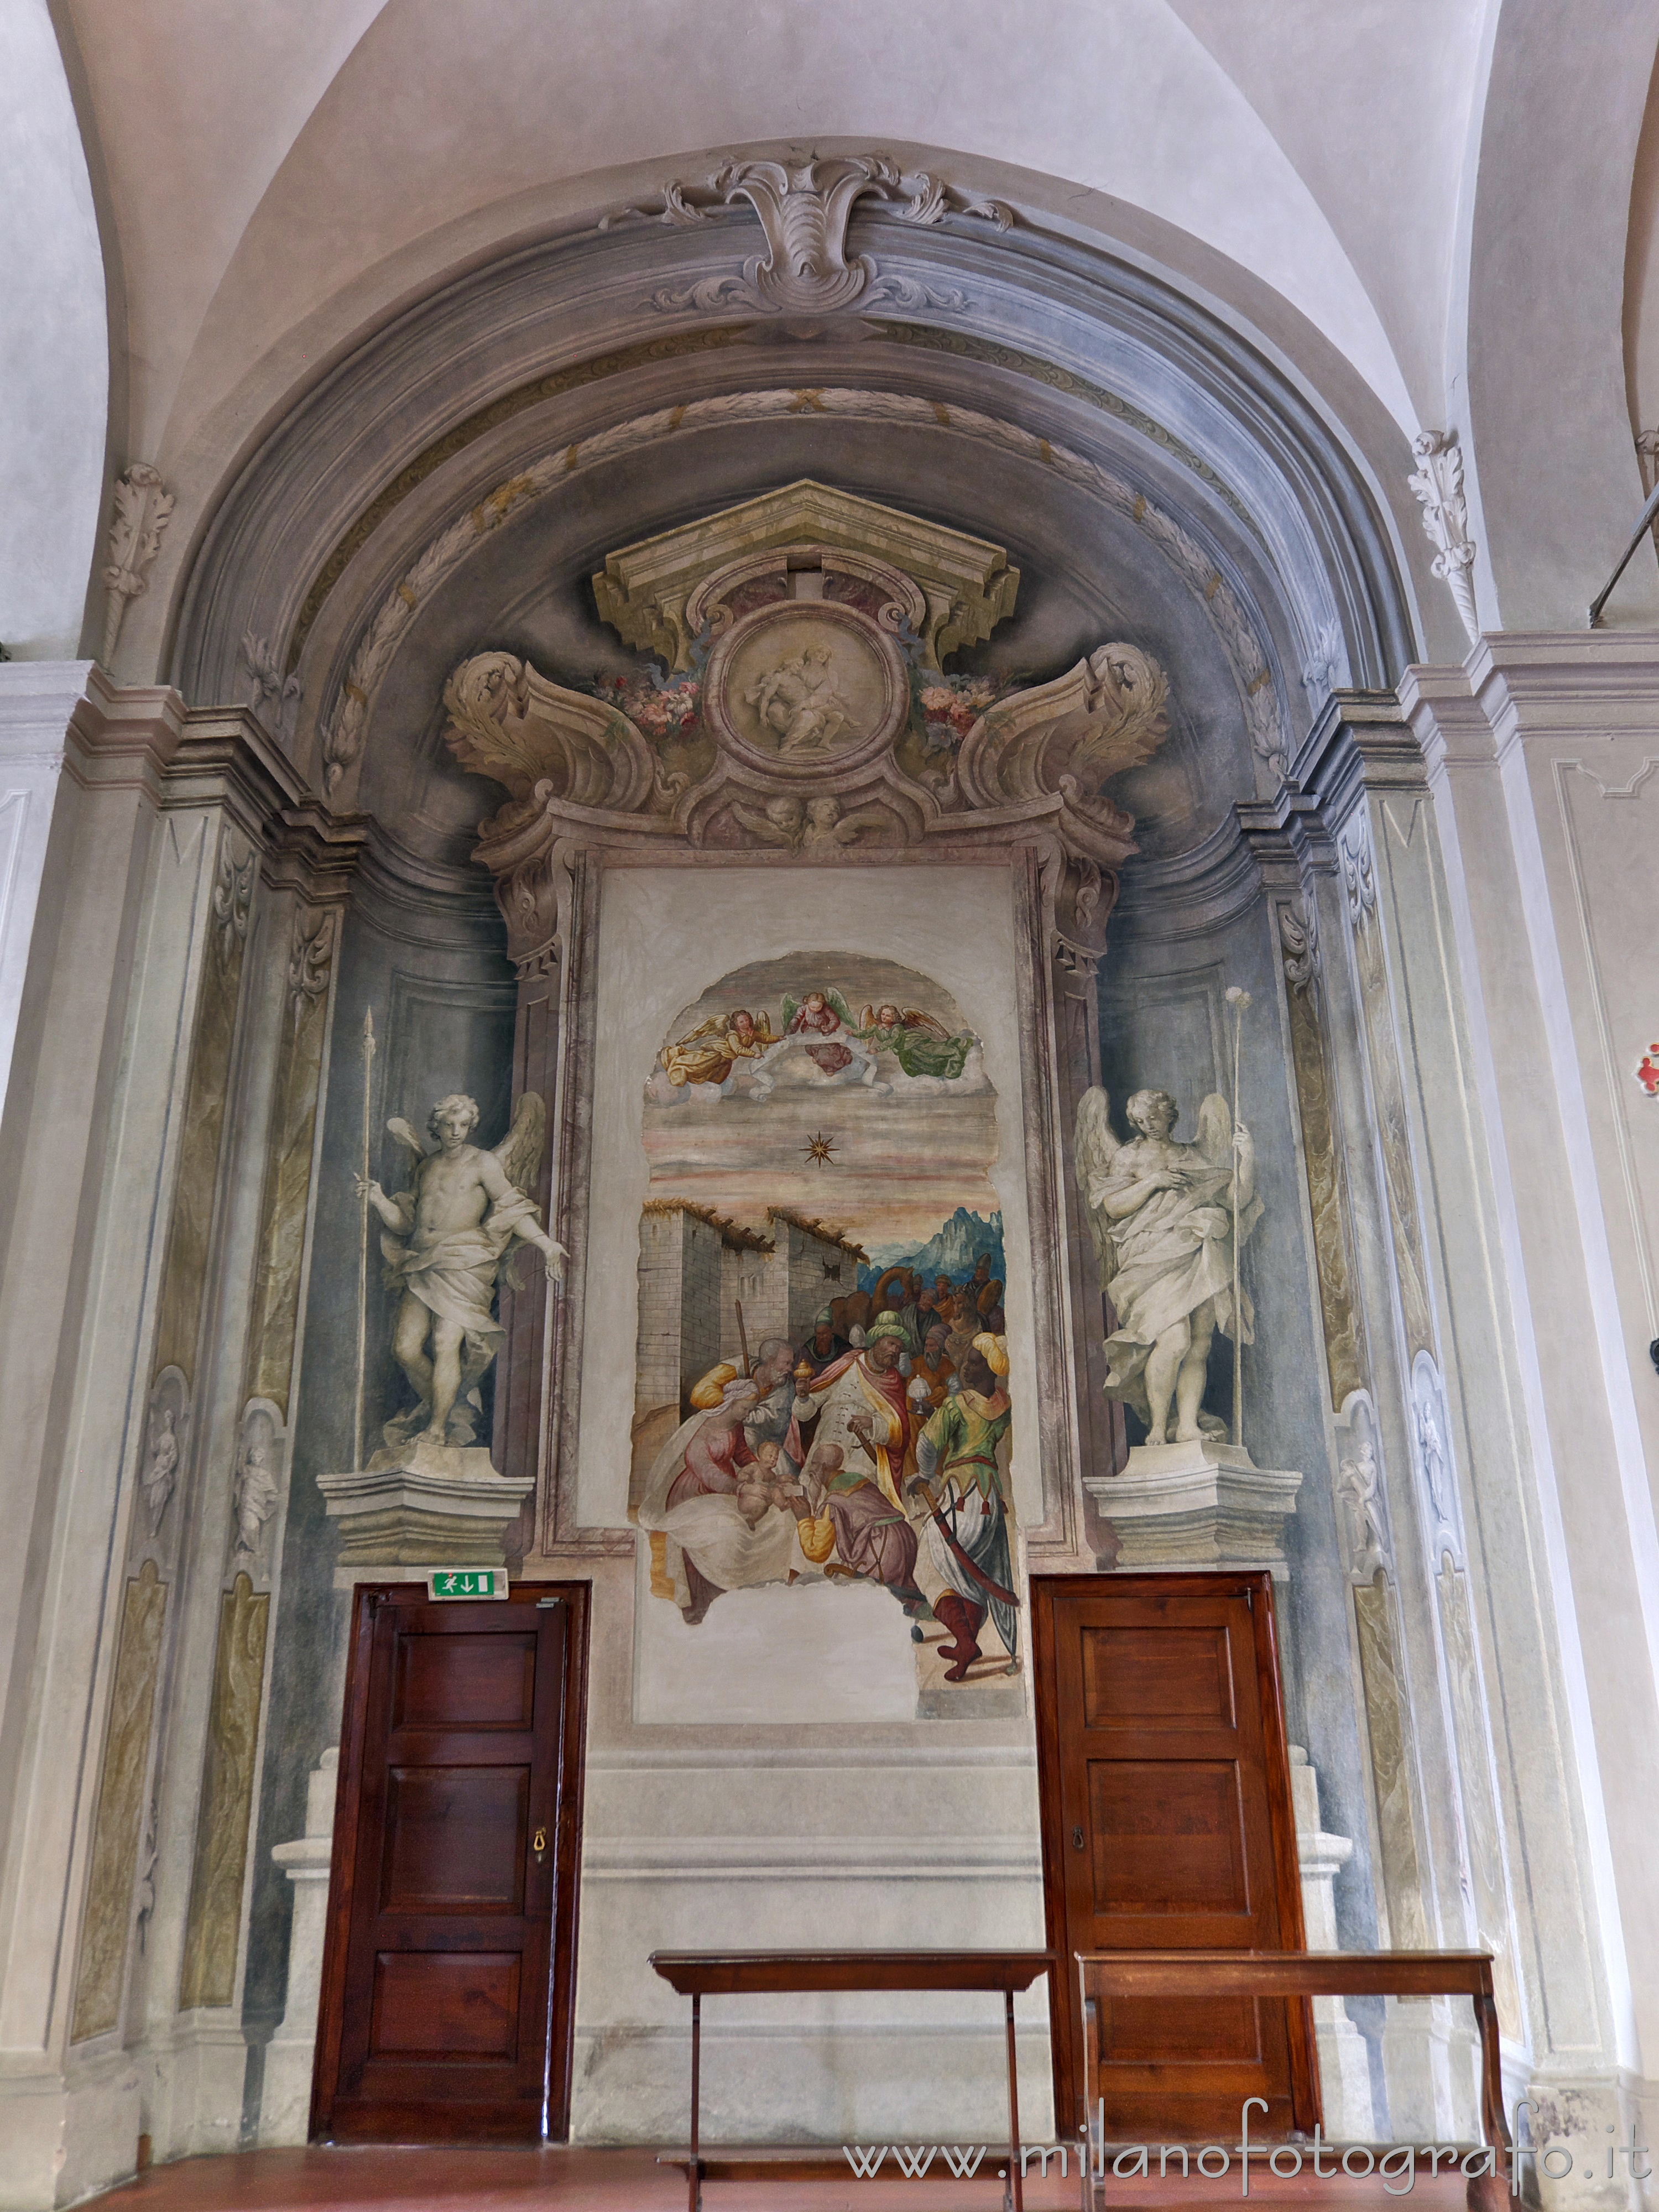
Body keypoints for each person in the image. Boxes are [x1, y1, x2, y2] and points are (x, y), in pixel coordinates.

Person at [358, 1093, 564, 1447]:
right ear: (436, 1127)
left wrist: (546, 1245)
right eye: (449, 1125)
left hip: (464, 1262)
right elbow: (407, 1225)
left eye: (464, 1125)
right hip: (422, 1262)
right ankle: (451, 1408)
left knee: (444, 1343)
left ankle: (436, 1429)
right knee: (405, 1349)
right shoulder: (426, 1167)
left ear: (471, 1126)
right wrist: (378, 1200)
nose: (456, 1132)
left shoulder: (483, 1163)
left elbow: (511, 1207)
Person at [1090, 1087, 1259, 1445]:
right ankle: (1156, 1428)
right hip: (1151, 1258)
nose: (1148, 1125)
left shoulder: (1194, 1155)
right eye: (1140, 1120)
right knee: (1173, 1339)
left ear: (1169, 1115)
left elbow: (1235, 1199)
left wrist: (1247, 1158)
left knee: (1199, 1343)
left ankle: (1186, 1426)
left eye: (1154, 1116)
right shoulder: (1130, 1156)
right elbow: (1112, 1206)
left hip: (1197, 1254)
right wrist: (1153, 1181)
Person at [910, 1338, 1016, 1681]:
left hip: (962, 1497)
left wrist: (926, 1476)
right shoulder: (1005, 1408)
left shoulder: (957, 1405)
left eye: (973, 1364)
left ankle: (965, 1641)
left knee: (928, 1566)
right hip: (990, 1507)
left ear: (989, 1371)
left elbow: (927, 1443)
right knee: (968, 1578)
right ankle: (965, 1644)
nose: (965, 1369)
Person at [854, 1001, 977, 1082]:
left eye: (888, 1016)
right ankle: (943, 1072)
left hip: (914, 1044)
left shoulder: (897, 1027)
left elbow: (893, 1041)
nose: (884, 1017)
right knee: (914, 1071)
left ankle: (957, 1051)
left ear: (893, 1017)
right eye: (883, 1015)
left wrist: (877, 1049)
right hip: (904, 1052)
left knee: (939, 1051)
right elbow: (866, 1034)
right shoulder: (877, 1027)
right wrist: (853, 1034)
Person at [659, 1006, 774, 1089]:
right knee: (697, 1065)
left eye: (746, 1020)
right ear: (737, 1024)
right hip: (718, 1053)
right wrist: (754, 1055)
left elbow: (765, 1038)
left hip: (727, 1059)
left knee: (717, 1078)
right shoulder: (733, 1035)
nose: (745, 1023)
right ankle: (678, 1067)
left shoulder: (752, 1033)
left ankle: (700, 1088)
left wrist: (780, 1038)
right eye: (741, 1022)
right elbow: (738, 1049)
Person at [911, 1322, 956, 1410]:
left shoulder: (947, 1365)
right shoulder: (917, 1363)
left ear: (940, 1348)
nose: (927, 1350)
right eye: (926, 1346)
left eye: (932, 1346)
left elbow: (955, 1390)